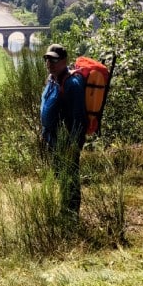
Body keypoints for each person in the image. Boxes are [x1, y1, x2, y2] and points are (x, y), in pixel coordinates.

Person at [40, 43, 87, 220]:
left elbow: (78, 119)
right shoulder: (52, 79)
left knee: (71, 178)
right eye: (47, 59)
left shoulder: (72, 84)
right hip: (53, 139)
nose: (50, 63)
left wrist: (73, 145)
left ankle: (72, 216)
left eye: (54, 59)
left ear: (64, 61)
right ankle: (64, 211)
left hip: (67, 142)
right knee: (61, 176)